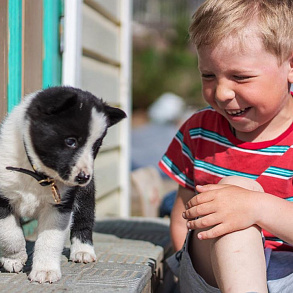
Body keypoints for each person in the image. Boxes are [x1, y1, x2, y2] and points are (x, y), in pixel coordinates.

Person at [158, 0, 293, 292]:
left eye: (240, 77)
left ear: (290, 66)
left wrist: (256, 207)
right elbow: (183, 213)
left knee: (241, 198)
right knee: (233, 196)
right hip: (213, 275)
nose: (221, 92)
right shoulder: (199, 131)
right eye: (208, 75)